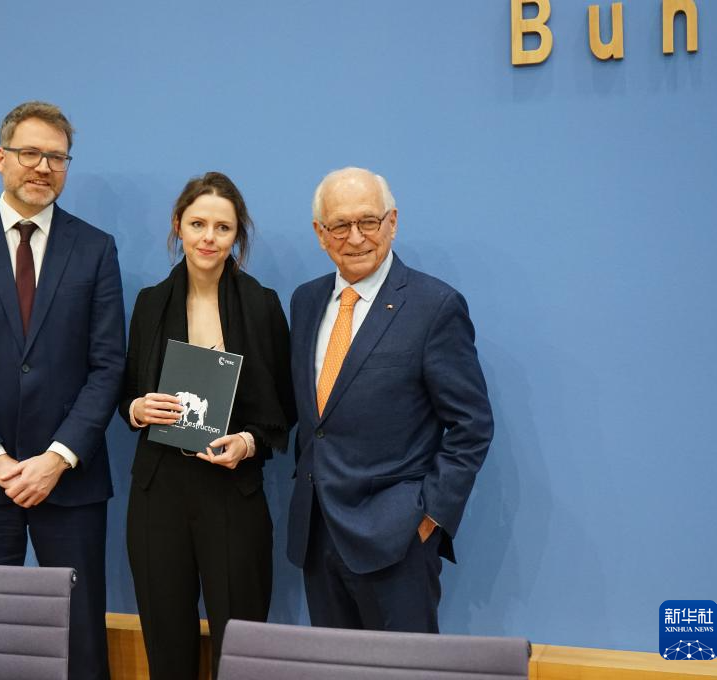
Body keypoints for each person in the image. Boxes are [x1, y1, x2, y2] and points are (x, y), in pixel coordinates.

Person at [0, 101, 124, 680]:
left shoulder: (96, 248)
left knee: (82, 639)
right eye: (30, 153)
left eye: (57, 157)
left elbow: (108, 366)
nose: (43, 167)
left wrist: (56, 459)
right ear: (0, 158)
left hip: (71, 479)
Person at [286, 167, 493, 633]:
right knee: (334, 666)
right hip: (317, 535)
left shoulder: (434, 305)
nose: (356, 237)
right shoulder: (305, 301)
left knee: (404, 666)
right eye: (340, 225)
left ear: (392, 222)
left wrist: (430, 517)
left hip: (397, 542)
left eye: (368, 221)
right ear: (320, 233)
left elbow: (472, 425)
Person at [119, 172, 296, 679]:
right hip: (158, 492)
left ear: (237, 235)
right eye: (198, 224)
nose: (208, 238)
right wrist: (137, 409)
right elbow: (125, 392)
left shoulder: (261, 304)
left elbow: (286, 408)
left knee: (240, 647)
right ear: (178, 225)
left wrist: (249, 442)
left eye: (223, 227)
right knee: (165, 643)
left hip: (232, 492)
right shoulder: (150, 302)